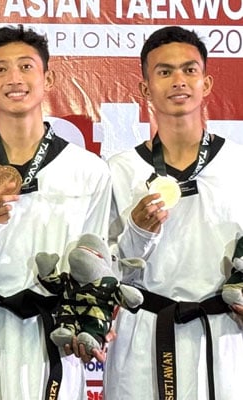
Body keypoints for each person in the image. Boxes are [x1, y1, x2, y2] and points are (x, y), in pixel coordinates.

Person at [0, 25, 111, 400]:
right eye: (0, 69)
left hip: (54, 336)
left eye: (26, 66)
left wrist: (92, 322)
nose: (14, 78)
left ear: (47, 78)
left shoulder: (89, 169)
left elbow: (96, 266)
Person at [104, 26, 243, 400]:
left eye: (189, 70)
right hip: (144, 338)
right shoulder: (117, 170)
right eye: (164, 72)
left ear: (207, 83)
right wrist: (135, 231)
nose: (178, 81)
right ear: (145, 88)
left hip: (226, 337)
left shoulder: (239, 163)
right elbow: (104, 273)